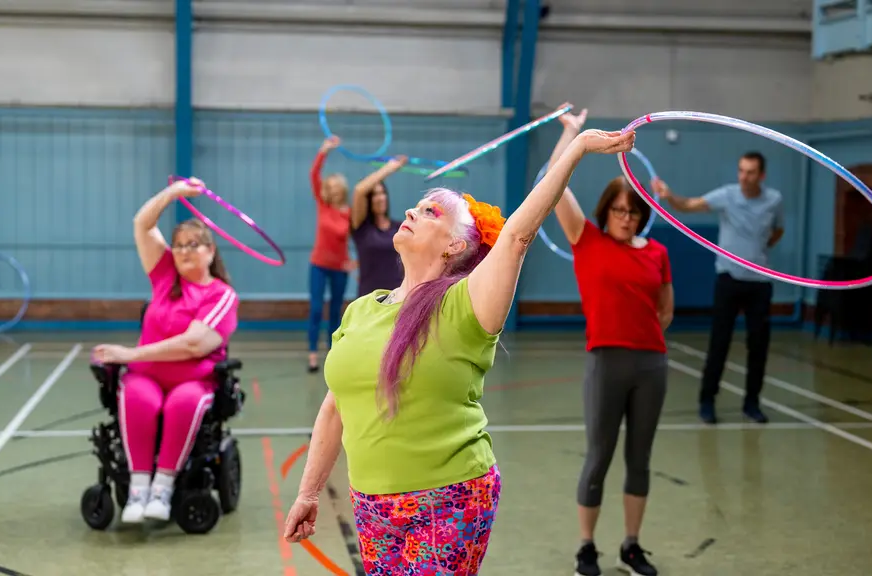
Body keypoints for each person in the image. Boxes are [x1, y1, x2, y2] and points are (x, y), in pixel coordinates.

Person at [281, 111, 636, 575]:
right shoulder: (361, 309)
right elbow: (334, 407)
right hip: (371, 504)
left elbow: (516, 237)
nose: (410, 211)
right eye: (417, 206)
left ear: (453, 246)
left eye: (430, 212)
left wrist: (576, 148)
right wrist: (309, 493)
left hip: (449, 498)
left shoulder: (464, 305)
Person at [545, 109, 672, 576]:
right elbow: (554, 183)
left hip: (652, 366)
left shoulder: (658, 253)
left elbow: (666, 309)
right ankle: (586, 548)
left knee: (640, 459)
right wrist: (572, 135)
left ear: (642, 215)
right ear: (606, 211)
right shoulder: (586, 239)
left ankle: (632, 546)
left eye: (633, 211)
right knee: (599, 456)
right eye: (619, 209)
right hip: (606, 363)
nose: (626, 217)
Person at [92, 177, 240, 524]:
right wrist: (174, 193)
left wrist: (129, 355)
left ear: (211, 250)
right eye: (179, 245)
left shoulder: (221, 296)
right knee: (139, 397)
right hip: (147, 377)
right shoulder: (164, 276)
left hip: (195, 382)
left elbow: (193, 344)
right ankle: (138, 489)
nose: (185, 251)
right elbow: (142, 223)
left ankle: (163, 487)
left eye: (194, 244)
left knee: (182, 403)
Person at [651, 151, 783, 425]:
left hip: (760, 283)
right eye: (741, 171)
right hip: (728, 279)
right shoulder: (727, 195)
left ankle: (752, 404)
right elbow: (689, 205)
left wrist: (762, 249)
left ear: (762, 175)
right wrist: (669, 195)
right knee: (719, 344)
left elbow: (778, 230)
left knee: (758, 347)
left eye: (750, 172)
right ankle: (707, 401)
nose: (744, 177)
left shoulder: (774, 200)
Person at [306, 135, 354, 372]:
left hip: (339, 269)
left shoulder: (349, 212)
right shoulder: (322, 205)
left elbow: (360, 239)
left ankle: (332, 353)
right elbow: (314, 174)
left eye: (337, 185)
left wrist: (354, 262)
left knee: (336, 311)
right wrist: (323, 150)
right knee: (316, 309)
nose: (333, 189)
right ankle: (312, 354)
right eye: (330, 185)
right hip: (318, 265)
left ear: (343, 189)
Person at [350, 156, 407, 297]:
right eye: (375, 194)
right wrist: (390, 167)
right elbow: (359, 190)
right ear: (368, 200)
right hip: (369, 299)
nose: (381, 198)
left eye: (383, 193)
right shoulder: (361, 228)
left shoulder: (399, 227)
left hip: (397, 297)